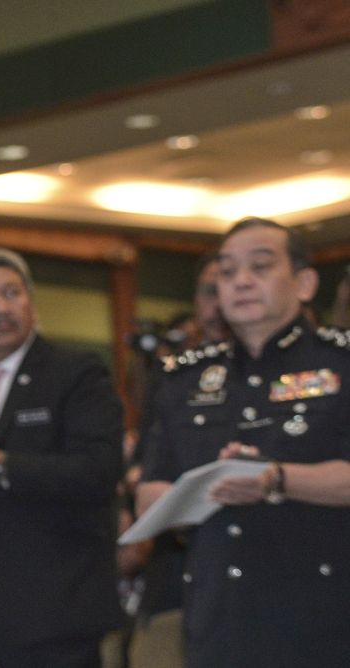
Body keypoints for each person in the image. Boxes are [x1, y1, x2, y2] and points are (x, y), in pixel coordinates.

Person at [136, 217, 350, 667]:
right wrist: (197, 494)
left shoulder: (340, 366)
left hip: (323, 618)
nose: (241, 282)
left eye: (260, 267)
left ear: (305, 283)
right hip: (218, 620)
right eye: (228, 273)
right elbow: (149, 490)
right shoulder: (185, 379)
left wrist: (276, 480)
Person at [0, 247, 123, 667]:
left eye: (11, 293)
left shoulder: (76, 373)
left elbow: (98, 472)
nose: (1, 307)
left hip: (53, 609)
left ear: (31, 304)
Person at [126, 254, 227, 668]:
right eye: (209, 288)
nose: (224, 295)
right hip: (177, 578)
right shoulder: (176, 380)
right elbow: (144, 475)